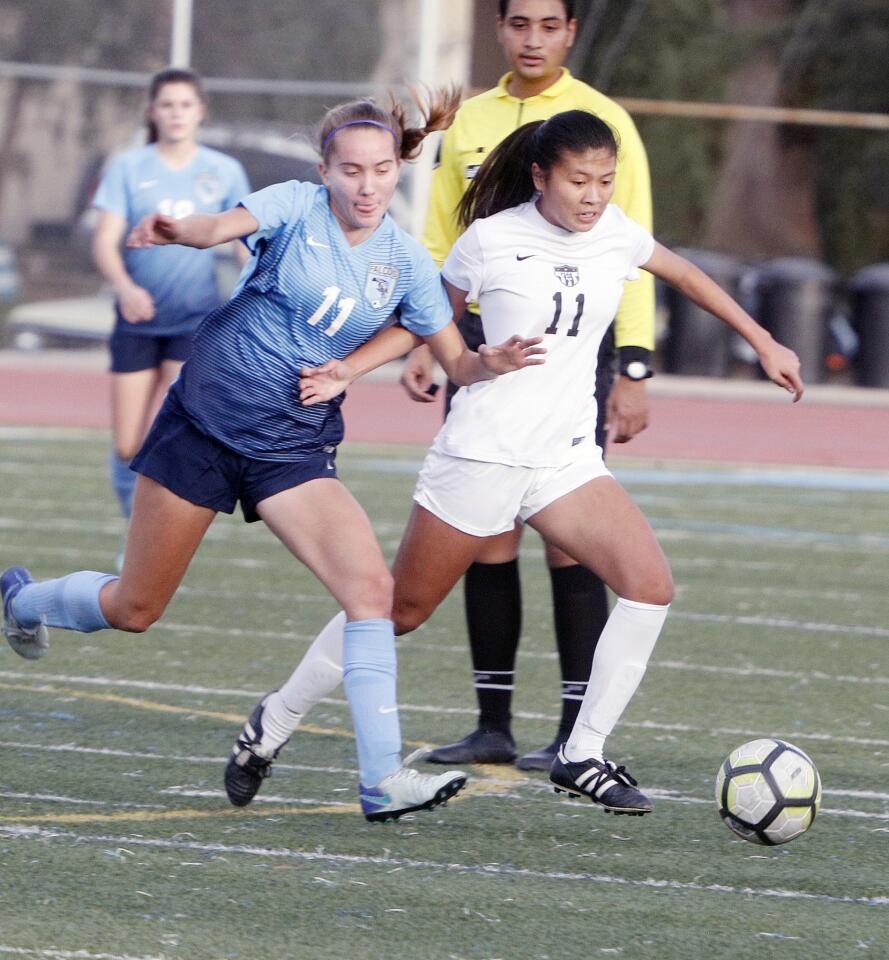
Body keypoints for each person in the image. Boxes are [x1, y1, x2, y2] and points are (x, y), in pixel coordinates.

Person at [220, 109, 803, 817]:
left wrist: (765, 342)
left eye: (604, 181)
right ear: (539, 176)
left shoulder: (616, 233)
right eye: (578, 180)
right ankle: (271, 724)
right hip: (482, 456)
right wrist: (370, 367)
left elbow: (682, 274)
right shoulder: (490, 241)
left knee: (649, 586)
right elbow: (422, 316)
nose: (593, 195)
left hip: (563, 460)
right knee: (396, 611)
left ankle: (580, 752)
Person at [0, 89, 545, 824]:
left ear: (397, 171)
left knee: (370, 597)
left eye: (380, 170)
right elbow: (217, 226)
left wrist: (492, 360)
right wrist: (177, 229)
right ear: (325, 171)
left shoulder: (410, 265)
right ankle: (21, 600)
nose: (365, 185)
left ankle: (381, 778)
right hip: (202, 424)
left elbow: (453, 360)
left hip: (291, 446)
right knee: (134, 607)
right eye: (350, 170)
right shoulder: (294, 205)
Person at [401, 0, 657, 771]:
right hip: (482, 340)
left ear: (570, 32)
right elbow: (444, 236)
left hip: (574, 343)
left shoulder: (601, 119)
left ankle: (574, 733)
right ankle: (492, 724)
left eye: (549, 24)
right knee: (487, 537)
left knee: (570, 544)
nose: (533, 38)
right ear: (501, 30)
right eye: (519, 23)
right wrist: (427, 339)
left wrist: (635, 365)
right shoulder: (471, 121)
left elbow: (636, 246)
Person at [92, 68, 250, 549]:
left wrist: (250, 292)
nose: (176, 113)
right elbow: (104, 241)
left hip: (194, 322)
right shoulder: (128, 167)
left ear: (200, 111)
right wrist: (124, 287)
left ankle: (144, 545)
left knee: (168, 438)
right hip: (137, 321)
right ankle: (133, 524)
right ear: (152, 111)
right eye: (167, 104)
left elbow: (244, 242)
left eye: (186, 104)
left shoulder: (223, 170)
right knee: (126, 446)